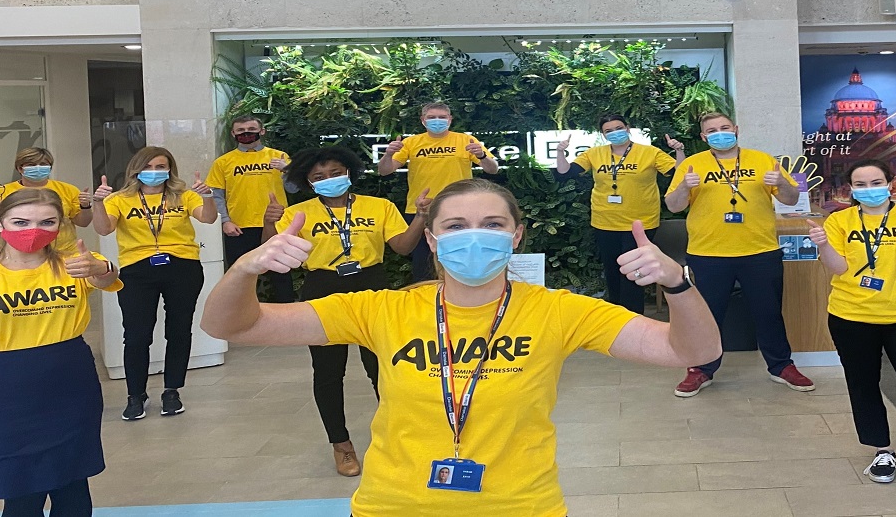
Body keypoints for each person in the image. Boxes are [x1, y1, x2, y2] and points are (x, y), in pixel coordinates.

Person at [202, 178, 720, 517]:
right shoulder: (380, 309)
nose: (474, 237)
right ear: (431, 240)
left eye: (492, 225)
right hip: (394, 504)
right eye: (455, 226)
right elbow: (236, 327)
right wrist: (245, 268)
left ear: (516, 236)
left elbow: (689, 351)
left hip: (520, 505)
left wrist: (677, 284)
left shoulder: (559, 310)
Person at [261, 146, 430, 477]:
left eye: (336, 172)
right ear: (308, 183)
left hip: (373, 286)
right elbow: (273, 252)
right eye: (318, 177)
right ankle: (342, 446)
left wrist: (422, 215)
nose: (329, 180)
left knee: (384, 368)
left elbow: (403, 246)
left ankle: (398, 439)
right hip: (323, 289)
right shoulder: (300, 212)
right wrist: (269, 224)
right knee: (327, 372)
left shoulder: (378, 206)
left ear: (350, 172)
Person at [0, 188, 122, 517]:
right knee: (20, 492)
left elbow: (107, 277)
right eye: (20, 221)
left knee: (73, 485)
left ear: (58, 226)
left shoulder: (75, 265)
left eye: (46, 222)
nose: (32, 230)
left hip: (69, 381)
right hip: (3, 389)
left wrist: (103, 265)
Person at [806, 159, 896, 500]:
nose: (868, 189)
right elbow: (838, 268)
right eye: (861, 184)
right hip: (851, 316)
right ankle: (882, 451)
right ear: (851, 189)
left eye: (875, 182)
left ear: (890, 183)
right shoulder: (840, 220)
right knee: (863, 385)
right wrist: (823, 243)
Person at [664, 111, 814, 396]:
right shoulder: (693, 164)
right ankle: (700, 369)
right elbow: (673, 205)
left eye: (724, 127)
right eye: (712, 130)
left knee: (769, 312)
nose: (720, 133)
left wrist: (781, 183)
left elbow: (791, 198)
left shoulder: (762, 159)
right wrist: (685, 186)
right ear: (703, 137)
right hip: (708, 253)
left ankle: (781, 366)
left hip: (760, 250)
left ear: (736, 129)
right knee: (706, 316)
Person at [91, 146, 216, 421]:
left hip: (183, 266)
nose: (155, 173)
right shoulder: (119, 199)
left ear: (170, 169)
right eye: (149, 167)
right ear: (136, 169)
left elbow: (207, 218)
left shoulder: (184, 195)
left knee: (179, 330)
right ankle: (135, 395)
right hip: (137, 269)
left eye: (161, 167)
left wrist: (207, 197)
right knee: (136, 334)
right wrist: (98, 204)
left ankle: (172, 391)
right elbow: (103, 229)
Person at [554, 115, 685, 313]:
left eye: (619, 127)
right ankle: (616, 316)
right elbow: (566, 173)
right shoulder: (594, 153)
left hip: (641, 223)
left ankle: (634, 317)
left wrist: (679, 151)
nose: (615, 132)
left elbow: (679, 173)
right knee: (613, 271)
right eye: (609, 130)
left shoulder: (649, 152)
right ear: (603, 135)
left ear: (628, 128)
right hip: (605, 221)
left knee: (634, 271)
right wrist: (560, 152)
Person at [378, 102, 500, 283]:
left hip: (461, 210)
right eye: (432, 117)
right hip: (421, 210)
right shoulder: (411, 142)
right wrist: (388, 155)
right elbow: (384, 171)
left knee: (461, 258)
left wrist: (482, 156)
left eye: (442, 117)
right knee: (423, 264)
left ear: (450, 120)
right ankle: (426, 303)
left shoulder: (466, 140)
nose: (437, 121)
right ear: (423, 120)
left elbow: (493, 169)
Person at [206, 115, 293, 302]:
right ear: (233, 133)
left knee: (281, 275)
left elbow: (294, 188)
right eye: (241, 131)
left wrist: (287, 170)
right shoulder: (223, 162)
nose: (246, 134)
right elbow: (217, 195)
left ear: (262, 131)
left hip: (277, 225)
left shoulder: (280, 156)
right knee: (241, 277)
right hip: (239, 227)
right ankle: (242, 317)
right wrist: (225, 221)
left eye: (251, 130)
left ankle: (286, 314)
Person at [0, 147, 93, 256]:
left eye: (43, 164)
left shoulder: (68, 190)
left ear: (50, 167)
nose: (38, 167)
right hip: (16, 256)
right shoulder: (2, 192)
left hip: (63, 254)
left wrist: (85, 206)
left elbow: (83, 223)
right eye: (31, 165)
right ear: (20, 168)